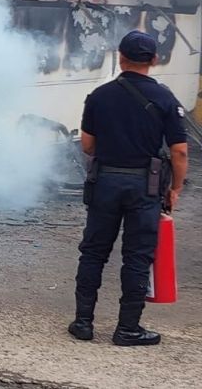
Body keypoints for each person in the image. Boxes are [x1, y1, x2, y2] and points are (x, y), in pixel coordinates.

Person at [68, 30, 189, 346]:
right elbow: (179, 152)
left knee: (93, 252)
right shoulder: (165, 98)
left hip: (104, 182)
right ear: (154, 60)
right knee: (137, 256)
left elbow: (88, 145)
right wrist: (175, 188)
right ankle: (127, 329)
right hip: (145, 185)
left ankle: (83, 323)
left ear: (119, 57)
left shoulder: (99, 96)